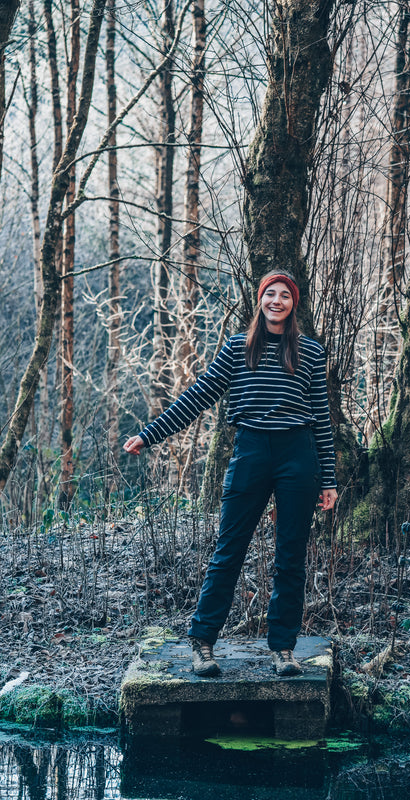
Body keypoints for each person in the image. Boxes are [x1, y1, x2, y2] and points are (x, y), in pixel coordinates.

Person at [124, 271, 338, 678]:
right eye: (270, 294)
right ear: (260, 301)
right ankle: (202, 643)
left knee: (291, 557)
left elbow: (322, 421)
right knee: (229, 550)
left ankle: (284, 650)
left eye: (285, 296)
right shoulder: (238, 348)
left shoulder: (310, 351)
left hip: (298, 455)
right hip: (251, 451)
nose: (277, 301)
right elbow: (199, 395)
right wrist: (149, 435)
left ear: (294, 304)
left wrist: (328, 480)